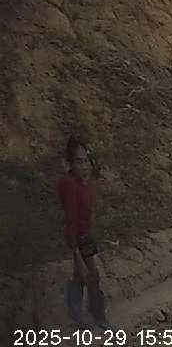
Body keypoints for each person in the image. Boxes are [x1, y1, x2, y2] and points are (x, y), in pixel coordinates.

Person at [58, 136, 112, 329]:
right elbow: (71, 220)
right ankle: (98, 317)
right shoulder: (70, 185)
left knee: (81, 276)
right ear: (71, 163)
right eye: (79, 161)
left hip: (85, 235)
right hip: (78, 238)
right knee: (91, 275)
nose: (84, 166)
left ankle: (77, 315)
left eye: (86, 161)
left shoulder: (83, 183)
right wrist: (76, 254)